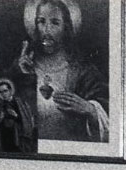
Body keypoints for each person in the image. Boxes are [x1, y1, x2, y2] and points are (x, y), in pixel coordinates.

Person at [11, 0, 109, 143]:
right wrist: (23, 77)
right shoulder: (21, 66)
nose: (46, 31)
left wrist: (90, 109)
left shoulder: (85, 71)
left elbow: (112, 129)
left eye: (55, 23)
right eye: (41, 21)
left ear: (66, 27)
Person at [0, 76, 35, 153]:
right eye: (1, 92)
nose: (3, 94)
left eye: (5, 91)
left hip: (18, 137)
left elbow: (27, 120)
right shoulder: (0, 106)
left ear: (10, 90)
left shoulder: (21, 103)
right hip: (5, 137)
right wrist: (0, 118)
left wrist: (16, 116)